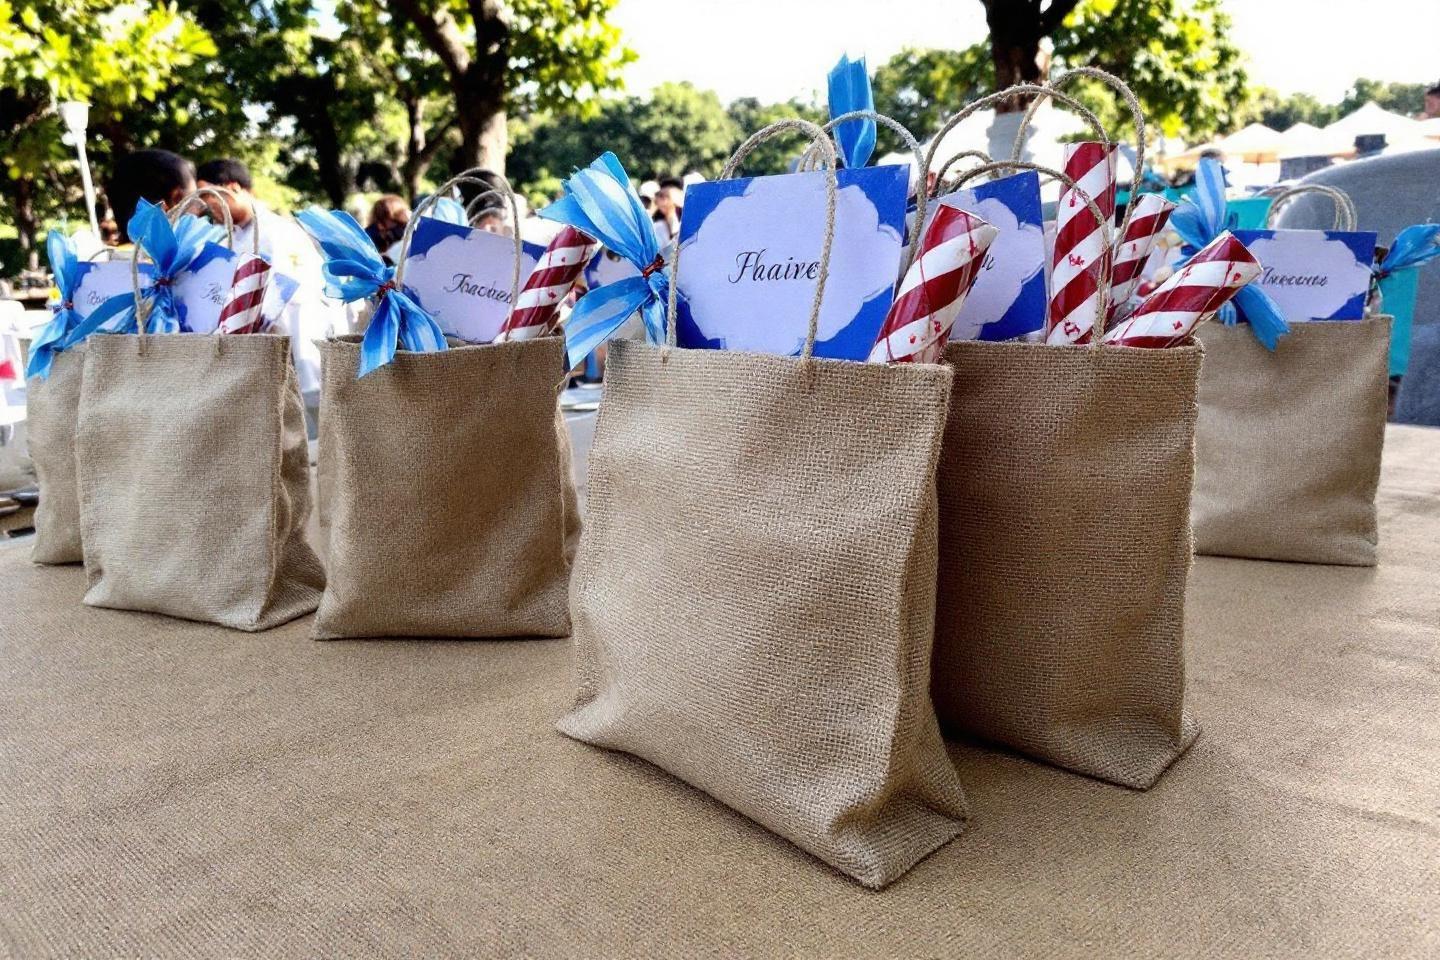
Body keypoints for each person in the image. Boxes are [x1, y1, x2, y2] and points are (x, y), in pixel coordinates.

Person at [195, 158, 346, 396]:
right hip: (254, 349)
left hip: (297, 337)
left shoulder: (278, 232)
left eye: (209, 195)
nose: (206, 205)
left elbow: (287, 297)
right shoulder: (225, 238)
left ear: (232, 188)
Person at [105, 149, 196, 243]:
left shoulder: (104, 255)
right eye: (194, 199)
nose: (199, 211)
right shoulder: (189, 254)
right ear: (176, 201)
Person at [365, 195, 410, 263]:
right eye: (397, 222)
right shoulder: (368, 240)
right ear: (380, 224)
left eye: (404, 225)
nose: (403, 229)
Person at [651, 176, 684, 247]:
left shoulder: (686, 223)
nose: (662, 202)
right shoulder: (657, 227)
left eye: (665, 196)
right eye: (659, 196)